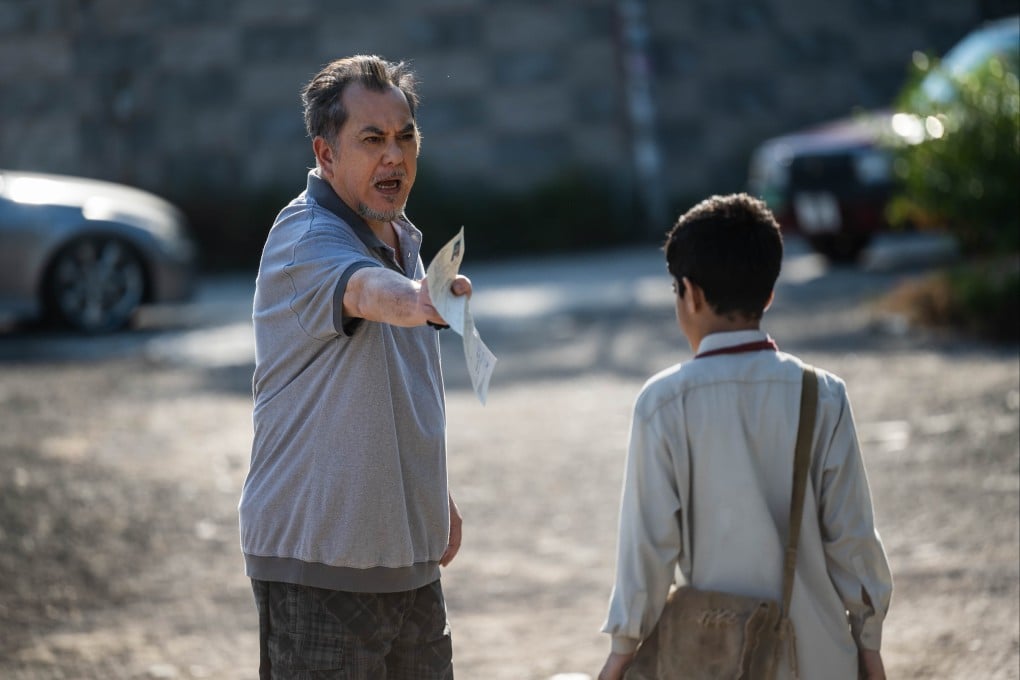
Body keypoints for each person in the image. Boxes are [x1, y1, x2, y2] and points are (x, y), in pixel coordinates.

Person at [597, 193, 893, 680]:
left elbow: (648, 551)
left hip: (718, 656)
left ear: (689, 293)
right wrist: (870, 644)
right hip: (822, 657)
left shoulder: (664, 403)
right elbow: (853, 537)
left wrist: (621, 651)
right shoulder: (822, 395)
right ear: (769, 294)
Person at [238, 55, 468, 679]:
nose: (394, 156)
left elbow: (395, 386)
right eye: (372, 139)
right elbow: (364, 292)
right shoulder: (304, 238)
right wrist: (418, 300)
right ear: (326, 152)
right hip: (321, 568)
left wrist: (429, 494)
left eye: (405, 137)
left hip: (407, 563)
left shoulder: (404, 238)